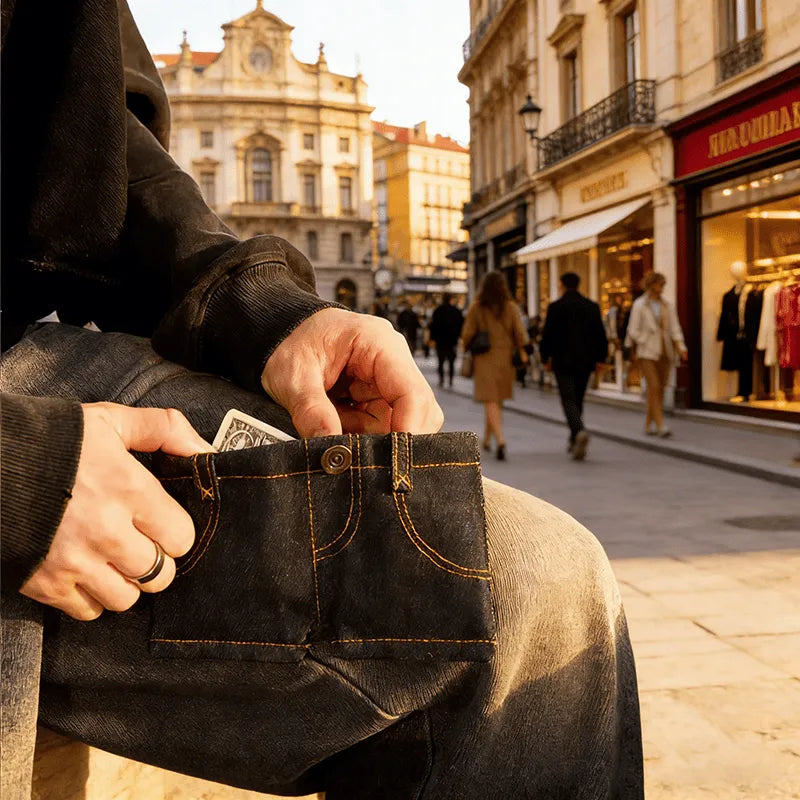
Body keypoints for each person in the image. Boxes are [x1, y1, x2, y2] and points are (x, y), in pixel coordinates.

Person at [0, 3, 644, 798]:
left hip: (40, 340)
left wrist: (264, 308)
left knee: (542, 581)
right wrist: (17, 467)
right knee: (514, 593)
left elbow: (91, 137)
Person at [539, 272, 608, 461]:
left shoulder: (555, 307)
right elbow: (600, 335)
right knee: (578, 398)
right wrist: (601, 358)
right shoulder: (591, 307)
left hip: (563, 361)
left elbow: (548, 336)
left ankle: (578, 431)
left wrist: (545, 358)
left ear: (562, 285)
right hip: (585, 361)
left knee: (568, 399)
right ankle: (574, 437)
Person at [461, 272, 528, 461]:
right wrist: (522, 350)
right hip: (505, 358)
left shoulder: (477, 308)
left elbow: (467, 334)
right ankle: (487, 439)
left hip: (484, 358)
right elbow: (520, 333)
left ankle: (500, 440)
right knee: (495, 400)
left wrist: (466, 346)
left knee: (490, 399)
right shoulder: (511, 307)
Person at [624, 272, 688, 437]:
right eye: (660, 285)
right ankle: (660, 425)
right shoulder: (640, 305)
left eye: (663, 285)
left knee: (660, 388)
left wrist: (681, 346)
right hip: (647, 352)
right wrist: (644, 339)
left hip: (665, 351)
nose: (662, 289)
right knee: (653, 386)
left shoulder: (668, 304)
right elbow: (633, 329)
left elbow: (675, 327)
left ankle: (648, 423)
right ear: (652, 285)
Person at [428, 293, 464, 387]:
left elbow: (433, 326)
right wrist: (459, 336)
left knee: (441, 361)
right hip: (452, 340)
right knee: (451, 361)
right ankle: (450, 380)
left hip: (440, 340)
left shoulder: (438, 311)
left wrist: (432, 338)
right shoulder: (456, 311)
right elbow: (461, 325)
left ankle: (441, 379)